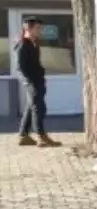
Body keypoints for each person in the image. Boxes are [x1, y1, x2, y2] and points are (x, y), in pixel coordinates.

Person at [14, 17, 60, 147]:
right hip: (31, 82)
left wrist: (41, 76)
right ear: (27, 29)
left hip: (38, 80)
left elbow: (35, 63)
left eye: (41, 28)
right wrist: (29, 82)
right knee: (38, 108)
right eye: (37, 28)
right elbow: (20, 67)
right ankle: (41, 136)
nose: (40, 31)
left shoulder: (35, 43)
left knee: (31, 107)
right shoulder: (23, 44)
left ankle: (23, 136)